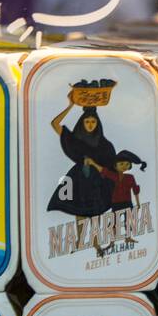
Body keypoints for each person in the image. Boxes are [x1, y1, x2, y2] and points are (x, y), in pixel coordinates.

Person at [47, 97, 117, 251]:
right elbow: (55, 124)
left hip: (97, 180)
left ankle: (96, 242)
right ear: (82, 123)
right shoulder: (74, 140)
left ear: (98, 123)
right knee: (79, 210)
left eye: (93, 122)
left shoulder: (105, 145)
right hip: (79, 178)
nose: (90, 125)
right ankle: (80, 240)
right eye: (87, 122)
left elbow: (112, 165)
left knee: (96, 212)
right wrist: (70, 105)